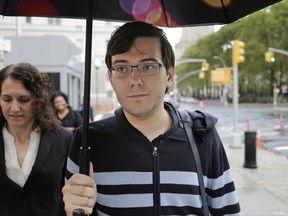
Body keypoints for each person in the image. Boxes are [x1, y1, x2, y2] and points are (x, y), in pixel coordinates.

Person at [62, 21, 241, 216]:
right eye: (122, 69)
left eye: (147, 66)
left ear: (170, 75)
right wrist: (74, 210)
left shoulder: (203, 136)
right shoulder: (88, 141)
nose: (134, 80)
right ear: (110, 77)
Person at [0, 62, 72, 216]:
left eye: (23, 99)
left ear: (39, 99)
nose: (14, 108)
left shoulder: (63, 139)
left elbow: (70, 196)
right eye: (7, 99)